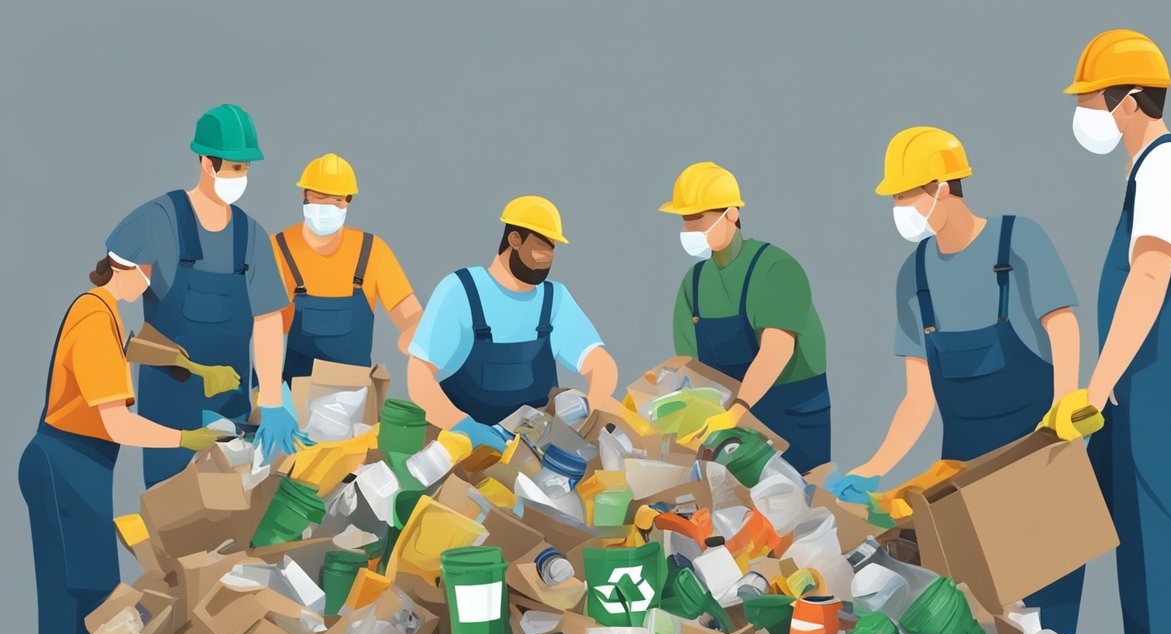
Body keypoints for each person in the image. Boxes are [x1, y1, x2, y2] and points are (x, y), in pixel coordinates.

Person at [836, 127, 1086, 634]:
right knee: (975, 628)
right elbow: (918, 394)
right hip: (964, 481)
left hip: (1040, 462)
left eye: (907, 194)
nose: (899, 207)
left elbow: (1062, 325)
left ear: (943, 187)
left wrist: (1065, 407)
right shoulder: (915, 276)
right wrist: (875, 467)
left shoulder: (1018, 241)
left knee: (1047, 631)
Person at [1052, 30, 1171, 634]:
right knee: (1134, 544)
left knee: (1166, 538)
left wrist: (1098, 381)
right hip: (1134, 387)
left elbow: (1150, 279)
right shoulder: (1145, 170)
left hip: (1160, 380)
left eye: (1091, 99)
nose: (1085, 113)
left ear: (1129, 100)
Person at [18, 256, 224, 634]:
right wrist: (186, 437)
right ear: (131, 268)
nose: (159, 289)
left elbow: (130, 347)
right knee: (75, 599)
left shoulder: (105, 310)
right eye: (156, 276)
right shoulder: (92, 318)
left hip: (83, 467)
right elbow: (117, 423)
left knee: (97, 594)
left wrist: (189, 365)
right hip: (64, 463)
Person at [105, 104, 298, 488]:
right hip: (169, 416)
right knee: (173, 522)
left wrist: (274, 401)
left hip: (232, 412)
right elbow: (111, 281)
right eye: (234, 167)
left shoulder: (251, 235)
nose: (240, 177)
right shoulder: (160, 220)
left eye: (246, 169)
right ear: (207, 163)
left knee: (233, 521)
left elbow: (267, 320)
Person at [407, 196, 621, 449]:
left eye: (552, 248)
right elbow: (418, 376)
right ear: (515, 240)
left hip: (534, 451)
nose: (547, 257)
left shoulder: (554, 299)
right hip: (462, 451)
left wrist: (591, 410)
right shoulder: (461, 291)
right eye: (541, 247)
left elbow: (601, 365)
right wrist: (464, 428)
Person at [662, 162, 831, 472]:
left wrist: (738, 408)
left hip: (790, 416)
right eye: (685, 221)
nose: (690, 231)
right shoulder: (694, 283)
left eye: (698, 219)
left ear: (732, 214)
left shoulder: (776, 269)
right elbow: (688, 365)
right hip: (725, 417)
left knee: (797, 502)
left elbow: (777, 350)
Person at [271, 153, 422, 381]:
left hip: (357, 397)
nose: (327, 206)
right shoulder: (279, 248)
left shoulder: (372, 251)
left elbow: (411, 315)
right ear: (305, 196)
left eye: (337, 200)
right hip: (295, 395)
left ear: (348, 201)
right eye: (320, 197)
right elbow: (264, 324)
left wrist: (415, 334)